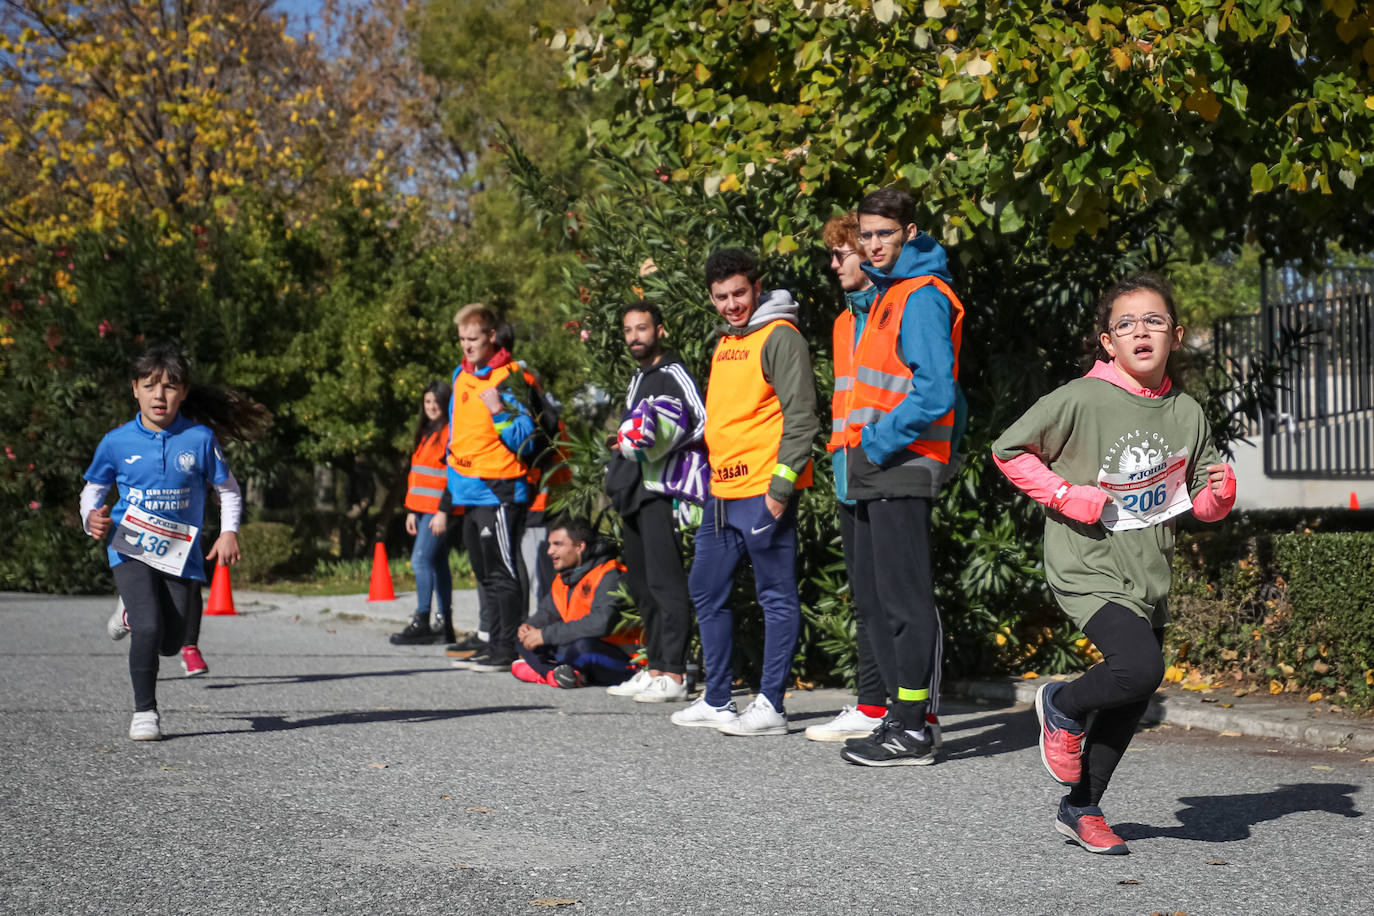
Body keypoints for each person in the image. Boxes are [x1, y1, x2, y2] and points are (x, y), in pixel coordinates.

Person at [992, 272, 1236, 854]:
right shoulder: (1081, 398)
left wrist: (1219, 497)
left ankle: (1082, 808)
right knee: (1138, 668)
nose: (1140, 331)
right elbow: (1008, 449)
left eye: (1153, 320)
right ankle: (1061, 703)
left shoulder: (1186, 412)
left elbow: (1200, 497)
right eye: (1125, 324)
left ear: (1175, 335)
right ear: (1108, 342)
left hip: (1148, 569)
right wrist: (1066, 495)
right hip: (1086, 560)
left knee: (1129, 700)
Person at [833, 188, 967, 767]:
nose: (872, 245)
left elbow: (937, 390)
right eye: (865, 235)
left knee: (905, 600)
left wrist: (879, 441)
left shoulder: (922, 295)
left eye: (883, 234)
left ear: (909, 233)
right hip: (875, 467)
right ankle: (901, 717)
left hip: (900, 464)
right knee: (878, 599)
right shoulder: (888, 295)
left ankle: (914, 727)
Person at [82, 344, 265, 740]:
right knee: (148, 628)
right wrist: (90, 519)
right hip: (129, 544)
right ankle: (145, 712)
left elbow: (228, 491)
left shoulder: (199, 439)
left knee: (170, 642)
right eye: (149, 386)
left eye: (169, 386)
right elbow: (93, 491)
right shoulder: (116, 442)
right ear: (135, 390)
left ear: (183, 392)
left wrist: (229, 531)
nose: (159, 395)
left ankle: (129, 615)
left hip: (180, 551)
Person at [671, 247, 818, 736]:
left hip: (763, 489)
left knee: (775, 596)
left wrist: (781, 489)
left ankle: (771, 705)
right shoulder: (729, 338)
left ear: (757, 287)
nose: (732, 304)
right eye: (721, 296)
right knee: (705, 590)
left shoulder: (780, 336)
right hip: (721, 493)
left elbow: (801, 418)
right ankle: (717, 701)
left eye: (739, 293)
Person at [604, 300, 707, 703]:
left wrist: (662, 445)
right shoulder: (638, 377)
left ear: (659, 330)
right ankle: (655, 667)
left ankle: (676, 673)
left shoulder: (672, 371)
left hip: (660, 494)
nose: (634, 337)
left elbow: (700, 419)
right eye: (629, 331)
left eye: (642, 329)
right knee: (643, 587)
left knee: (667, 585)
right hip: (631, 493)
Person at [442, 303, 539, 673]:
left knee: (503, 572)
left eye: (474, 338)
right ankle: (493, 641)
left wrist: (499, 412)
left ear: (491, 337)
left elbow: (525, 438)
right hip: (467, 490)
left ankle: (506, 648)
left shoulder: (509, 378)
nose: (466, 346)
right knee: (484, 573)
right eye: (462, 339)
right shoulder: (460, 375)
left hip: (498, 489)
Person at [510, 516, 637, 689]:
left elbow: (600, 624)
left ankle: (548, 671)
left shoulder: (609, 574)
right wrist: (529, 627)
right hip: (576, 648)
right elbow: (546, 614)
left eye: (558, 544)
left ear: (579, 547)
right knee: (524, 639)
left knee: (581, 648)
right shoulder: (564, 579)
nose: (550, 551)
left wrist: (545, 635)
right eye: (550, 544)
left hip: (623, 658)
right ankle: (554, 674)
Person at [390, 381, 461, 646]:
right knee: (438, 564)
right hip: (421, 511)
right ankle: (445, 626)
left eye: (436, 402)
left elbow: (452, 476)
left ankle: (422, 620)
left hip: (438, 511)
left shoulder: (450, 433)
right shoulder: (425, 432)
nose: (431, 407)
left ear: (446, 404)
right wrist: (410, 510)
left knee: (420, 561)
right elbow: (418, 476)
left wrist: (443, 512)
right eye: (428, 401)